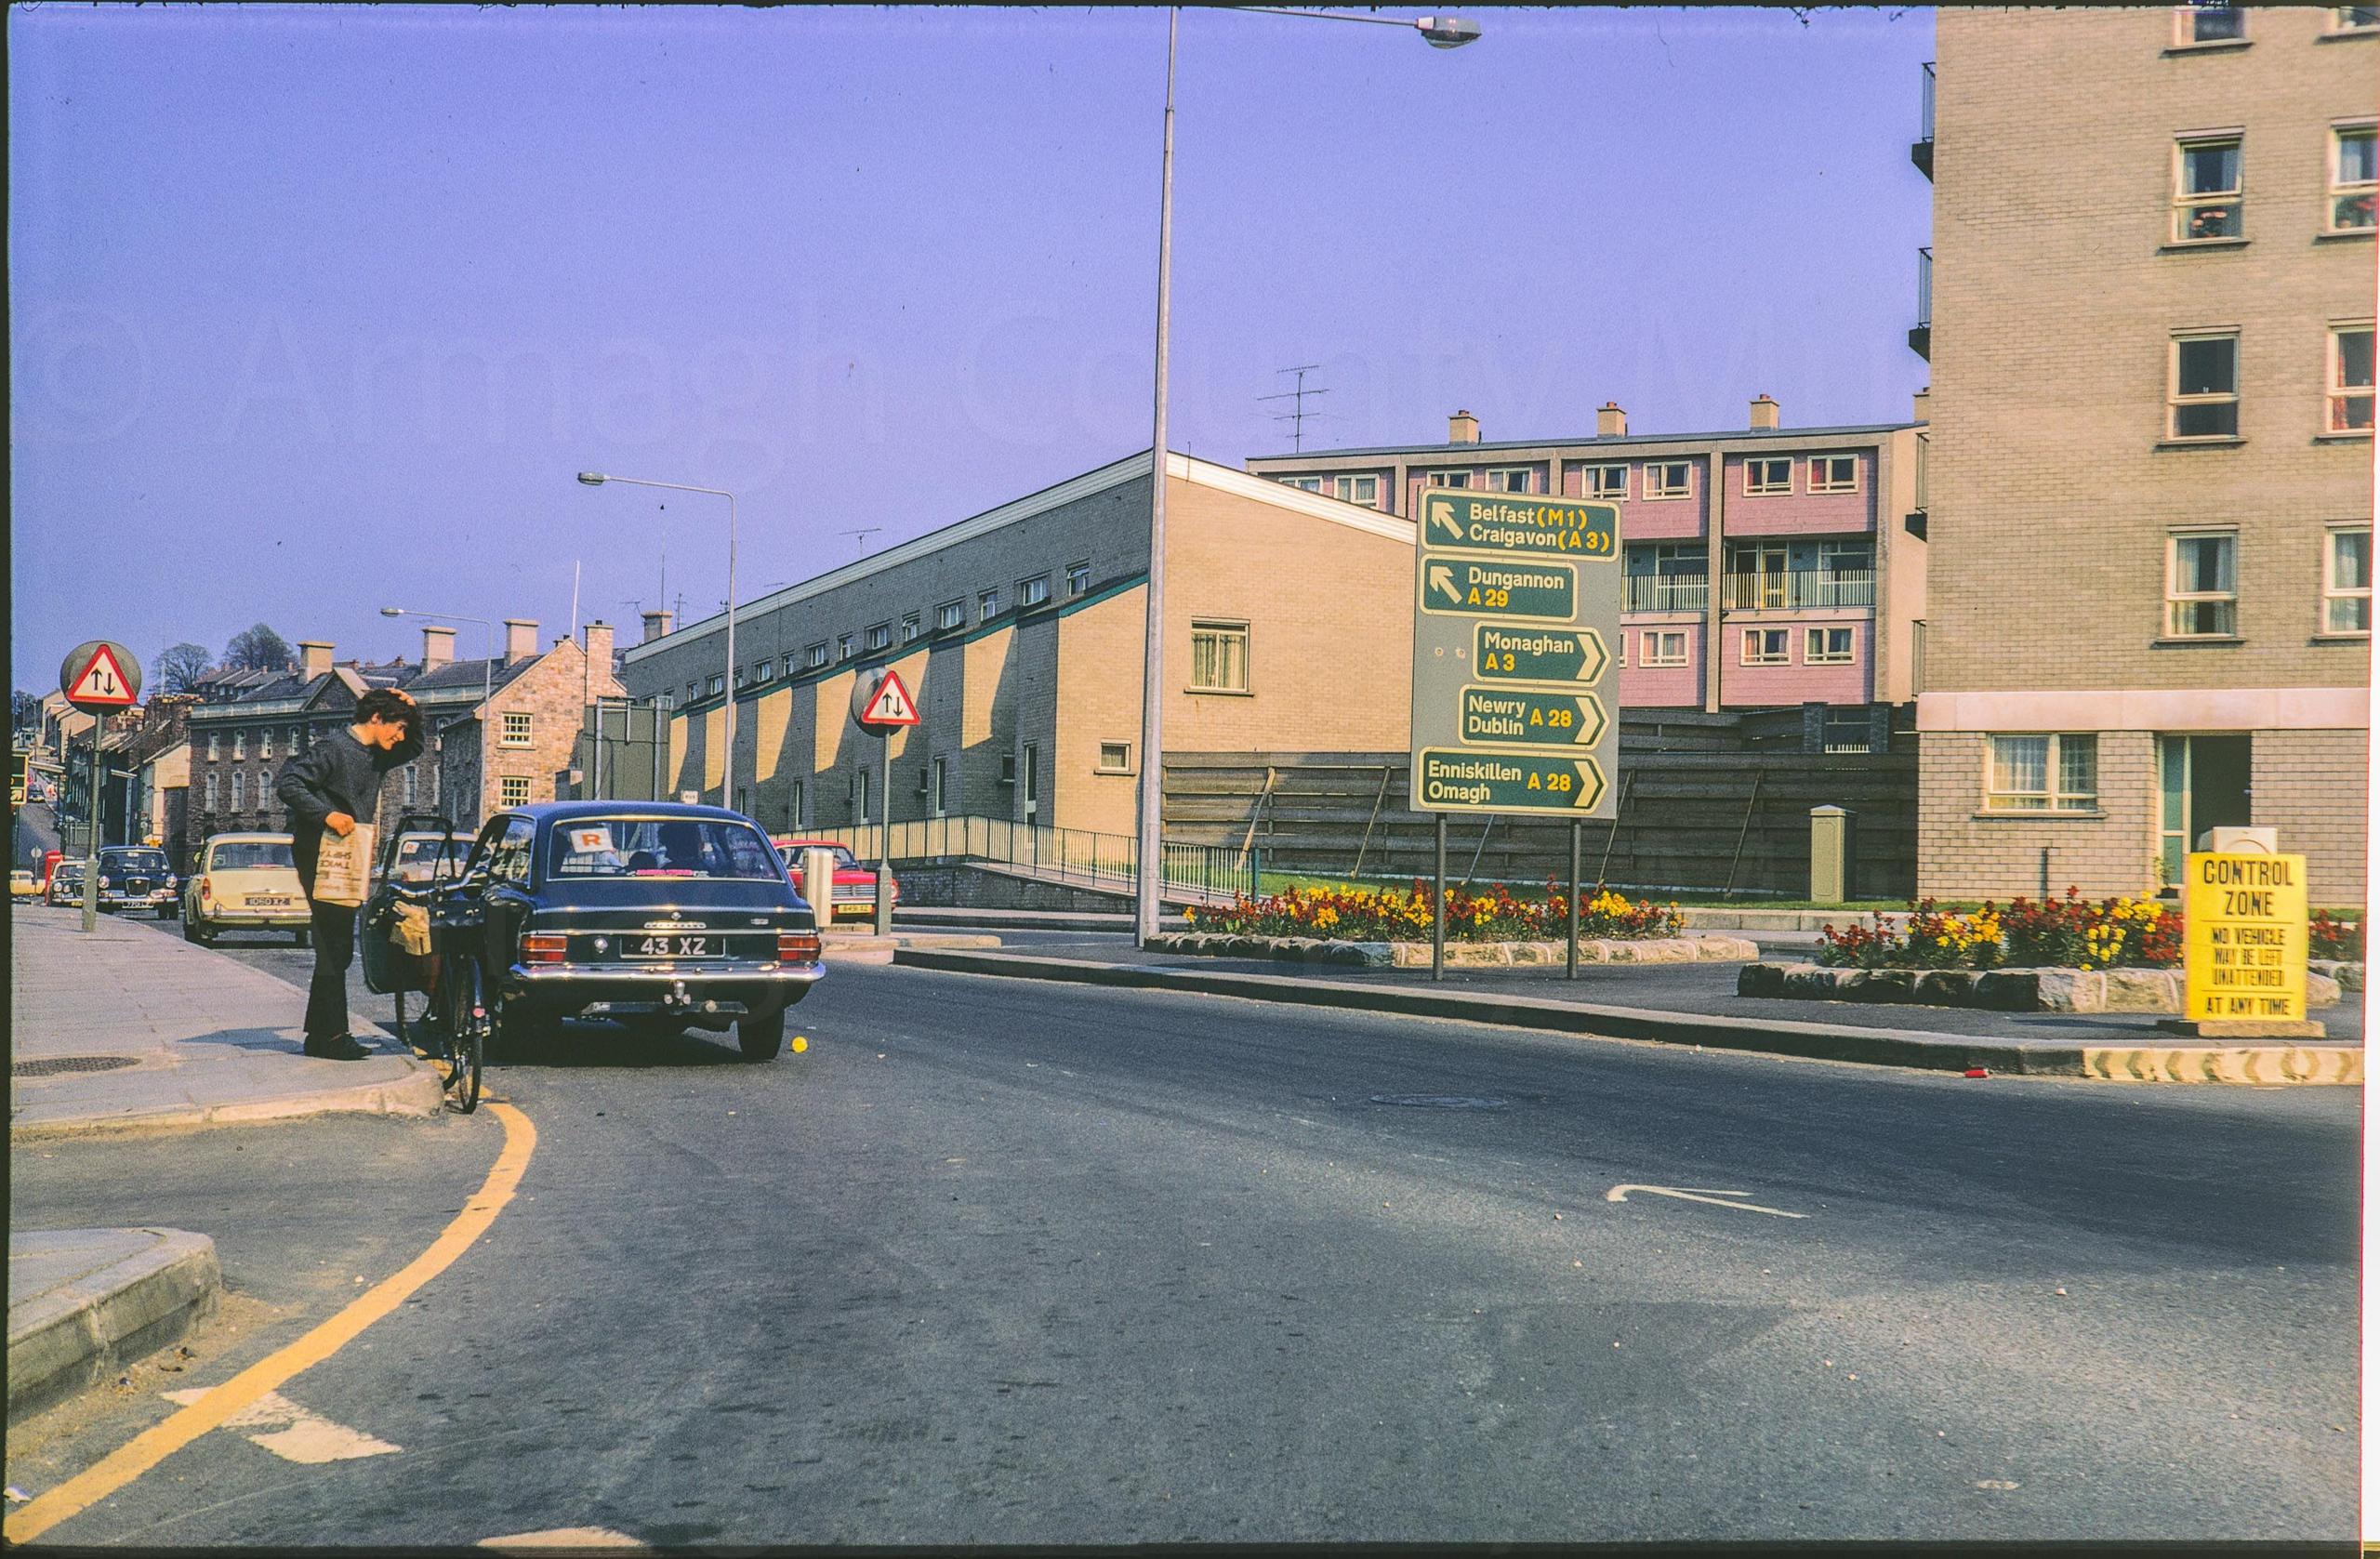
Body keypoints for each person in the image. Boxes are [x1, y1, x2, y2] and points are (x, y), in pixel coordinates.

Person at [274, 686, 423, 1060]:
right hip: (320, 851)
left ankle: (321, 1036)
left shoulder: (376, 755)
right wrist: (326, 814)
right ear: (376, 719)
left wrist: (412, 709)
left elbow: (415, 748)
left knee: (335, 943)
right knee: (334, 942)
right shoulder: (334, 748)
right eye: (398, 727)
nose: (400, 736)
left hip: (348, 853)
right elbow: (289, 783)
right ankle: (332, 1037)